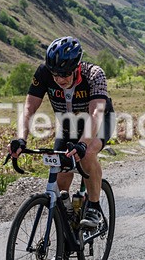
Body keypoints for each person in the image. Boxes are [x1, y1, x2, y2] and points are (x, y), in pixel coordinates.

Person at [9, 36, 114, 228]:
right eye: (54, 74)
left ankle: (94, 208)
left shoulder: (94, 75)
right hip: (68, 126)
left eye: (64, 74)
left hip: (99, 122)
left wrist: (83, 144)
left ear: (76, 67)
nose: (58, 79)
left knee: (87, 154)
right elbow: (29, 109)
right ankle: (66, 221)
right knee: (61, 174)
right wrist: (21, 139)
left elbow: (96, 112)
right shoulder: (43, 73)